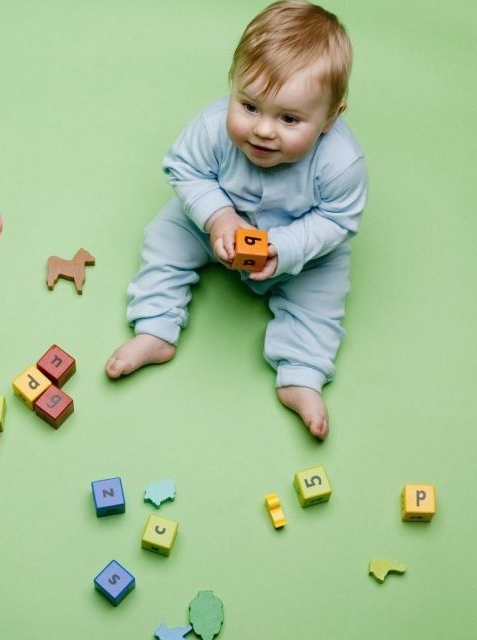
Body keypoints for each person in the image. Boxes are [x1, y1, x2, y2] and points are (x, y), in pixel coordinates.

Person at [104, 1, 367, 440]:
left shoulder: (340, 163)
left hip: (302, 245)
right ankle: (155, 328)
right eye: (248, 105)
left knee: (322, 296)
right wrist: (218, 217)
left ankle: (301, 375)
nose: (263, 130)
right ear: (233, 86)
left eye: (288, 118)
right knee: (164, 238)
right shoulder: (210, 129)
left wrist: (285, 247)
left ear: (331, 117)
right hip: (215, 221)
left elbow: (338, 220)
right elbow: (184, 169)